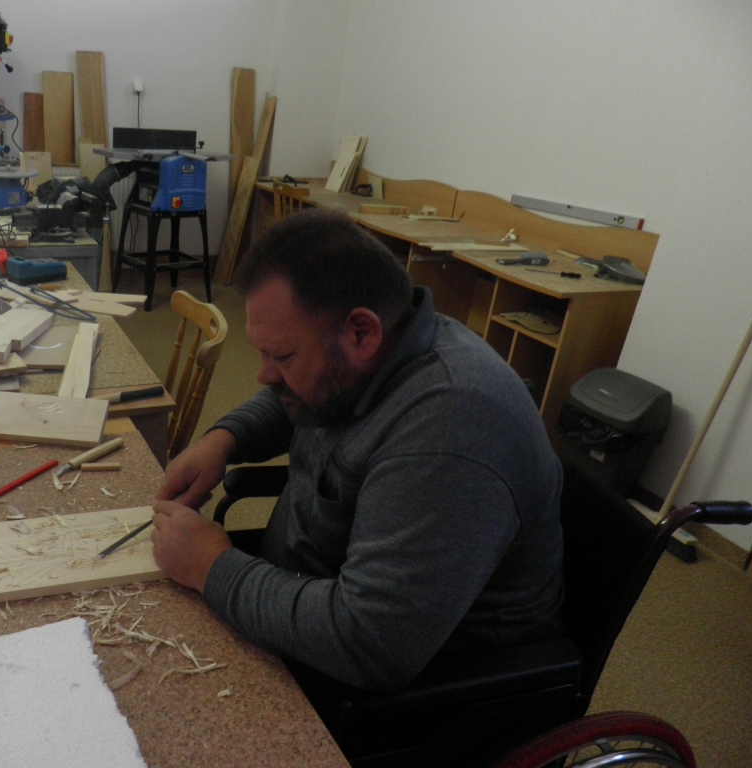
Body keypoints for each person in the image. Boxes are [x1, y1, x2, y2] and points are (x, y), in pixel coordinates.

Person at [150, 209, 564, 693]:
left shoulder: (449, 429)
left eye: (283, 356)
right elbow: (296, 397)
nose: (263, 374)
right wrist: (223, 439)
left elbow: (370, 643)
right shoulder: (387, 341)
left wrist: (210, 567)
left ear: (362, 332)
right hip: (303, 588)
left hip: (409, 686)